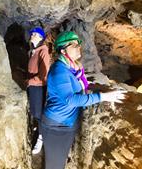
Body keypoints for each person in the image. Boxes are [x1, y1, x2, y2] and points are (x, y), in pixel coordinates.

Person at [41, 31, 126, 169]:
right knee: (54, 165)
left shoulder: (73, 67)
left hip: (68, 122)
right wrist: (102, 97)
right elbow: (70, 99)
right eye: (73, 45)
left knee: (60, 160)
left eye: (78, 44)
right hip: (56, 125)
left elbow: (83, 86)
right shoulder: (59, 71)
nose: (78, 47)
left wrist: (98, 88)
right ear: (63, 51)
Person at [26, 27, 50, 154]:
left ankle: (41, 138)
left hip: (38, 87)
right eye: (32, 33)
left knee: (39, 114)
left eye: (35, 34)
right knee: (36, 112)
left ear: (41, 38)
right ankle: (40, 129)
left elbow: (44, 76)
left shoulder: (43, 51)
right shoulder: (33, 51)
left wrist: (29, 81)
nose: (32, 35)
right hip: (33, 86)